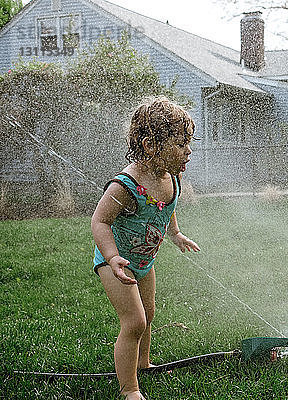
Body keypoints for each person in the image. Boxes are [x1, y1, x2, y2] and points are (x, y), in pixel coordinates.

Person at [91, 97, 201, 399]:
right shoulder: (125, 186)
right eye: (180, 144)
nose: (188, 151)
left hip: (144, 262)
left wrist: (175, 234)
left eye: (188, 143)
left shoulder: (171, 178)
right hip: (116, 263)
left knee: (148, 313)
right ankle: (129, 389)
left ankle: (142, 363)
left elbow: (166, 208)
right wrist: (112, 258)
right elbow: (99, 221)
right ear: (151, 145)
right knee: (135, 322)